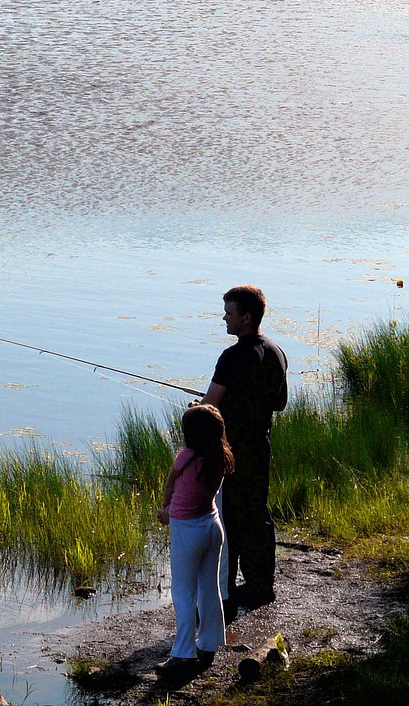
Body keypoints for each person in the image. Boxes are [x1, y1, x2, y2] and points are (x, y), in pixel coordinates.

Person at [198, 284, 288, 615]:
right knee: (257, 514)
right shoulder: (277, 351)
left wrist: (197, 407)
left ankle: (227, 591)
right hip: (260, 445)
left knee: (230, 517)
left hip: (231, 450)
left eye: (229, 313)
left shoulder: (232, 356)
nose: (224, 318)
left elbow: (211, 405)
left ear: (246, 318)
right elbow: (280, 403)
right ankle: (261, 585)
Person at [157, 404, 234, 681]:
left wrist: (165, 509)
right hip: (213, 526)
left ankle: (182, 655)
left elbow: (170, 484)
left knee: (183, 592)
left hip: (187, 530)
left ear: (189, 435)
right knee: (210, 588)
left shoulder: (185, 457)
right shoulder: (221, 456)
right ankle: (208, 645)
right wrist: (202, 412)